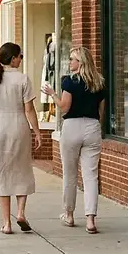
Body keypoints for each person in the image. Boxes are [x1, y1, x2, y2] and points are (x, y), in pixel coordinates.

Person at [43, 46, 106, 234]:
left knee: (70, 174)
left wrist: (52, 93)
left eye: (72, 59)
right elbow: (101, 112)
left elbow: (64, 107)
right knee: (90, 176)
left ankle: (69, 215)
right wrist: (96, 128)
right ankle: (90, 220)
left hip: (72, 127)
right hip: (92, 127)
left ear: (81, 62)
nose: (70, 62)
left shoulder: (69, 82)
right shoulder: (99, 82)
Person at [0, 42, 41, 235]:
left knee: (1, 173)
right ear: (13, 58)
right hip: (18, 126)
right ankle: (21, 212)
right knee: (22, 169)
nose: (21, 59)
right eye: (20, 56)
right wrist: (37, 131)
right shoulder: (23, 79)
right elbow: (29, 110)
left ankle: (6, 223)